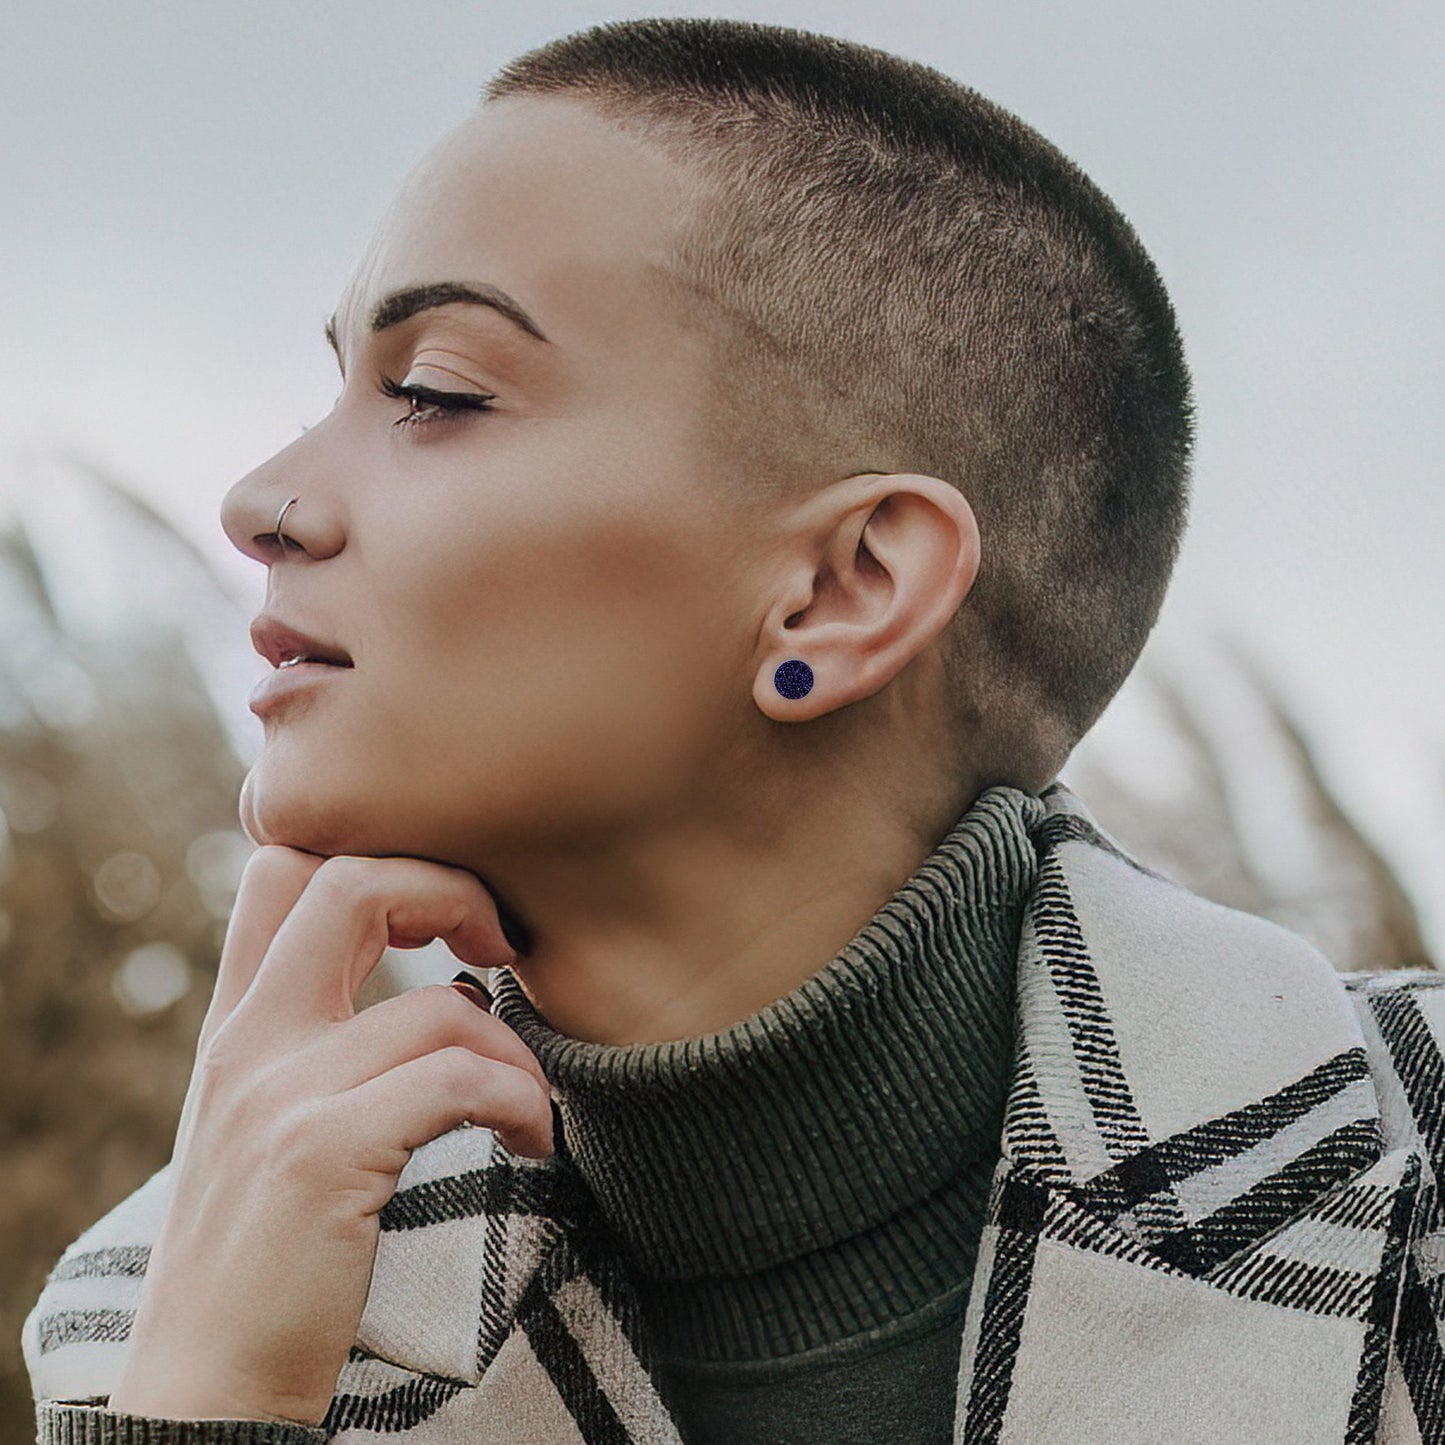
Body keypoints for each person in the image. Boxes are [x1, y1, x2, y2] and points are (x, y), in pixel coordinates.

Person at [22, 16, 1445, 1445]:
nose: (261, 500)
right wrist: (203, 1407)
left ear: (844, 588)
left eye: (436, 395)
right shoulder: (168, 1312)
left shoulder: (1414, 1181)